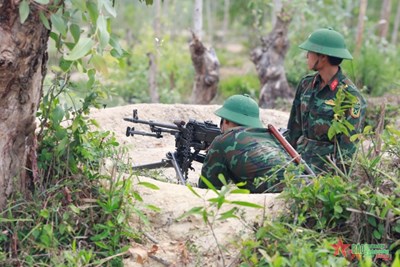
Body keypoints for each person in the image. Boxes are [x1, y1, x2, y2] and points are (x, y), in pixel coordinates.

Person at [286, 28, 367, 173]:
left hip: (324, 172)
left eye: (310, 52)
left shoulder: (351, 96)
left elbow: (347, 150)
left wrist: (337, 181)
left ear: (322, 56)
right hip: (297, 165)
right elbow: (294, 129)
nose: (306, 56)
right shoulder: (306, 84)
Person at [198, 94, 294, 193]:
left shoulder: (223, 140)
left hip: (277, 195)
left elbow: (208, 188)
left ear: (226, 120)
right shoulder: (272, 137)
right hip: (303, 186)